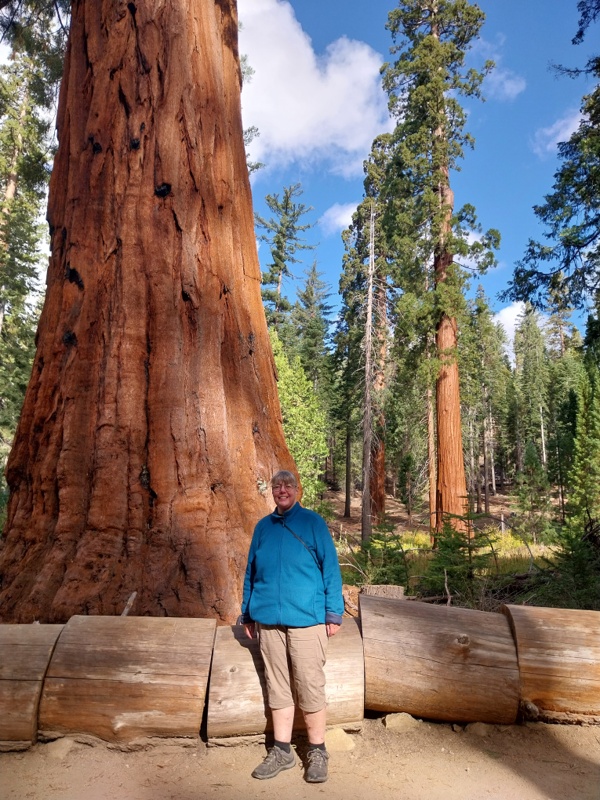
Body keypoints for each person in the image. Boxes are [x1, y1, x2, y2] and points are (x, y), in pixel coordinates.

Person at [240, 470, 344, 784]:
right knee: (277, 685)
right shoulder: (263, 527)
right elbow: (250, 573)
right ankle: (282, 751)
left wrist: (333, 613)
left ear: (296, 490)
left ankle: (317, 751)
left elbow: (331, 568)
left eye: (287, 485)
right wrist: (247, 613)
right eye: (277, 486)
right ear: (271, 491)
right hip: (268, 621)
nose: (282, 490)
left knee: (310, 684)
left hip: (307, 621)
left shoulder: (312, 523)